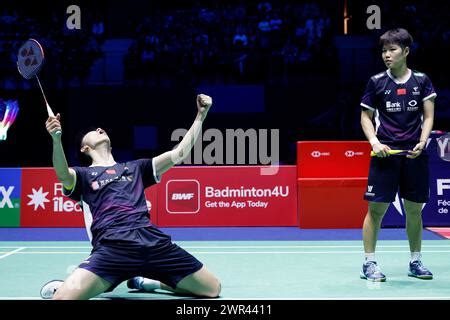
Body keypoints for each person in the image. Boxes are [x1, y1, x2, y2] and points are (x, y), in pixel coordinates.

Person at [43, 94, 221, 299]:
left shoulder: (135, 168)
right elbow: (63, 175)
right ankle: (80, 284)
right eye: (93, 131)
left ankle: (150, 283)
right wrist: (56, 141)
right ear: (85, 148)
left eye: (101, 128)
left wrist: (201, 115)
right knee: (62, 298)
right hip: (113, 247)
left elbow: (179, 153)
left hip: (153, 243)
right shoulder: (83, 175)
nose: (100, 129)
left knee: (212, 289)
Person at [360, 28, 436, 282]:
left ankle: (416, 261)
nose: (386, 55)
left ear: (405, 51)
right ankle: (369, 263)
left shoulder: (422, 81)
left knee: (415, 211)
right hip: (385, 155)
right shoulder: (376, 82)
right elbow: (366, 117)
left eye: (392, 49)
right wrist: (374, 142)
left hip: (414, 155)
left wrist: (423, 142)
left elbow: (428, 116)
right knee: (376, 211)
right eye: (383, 50)